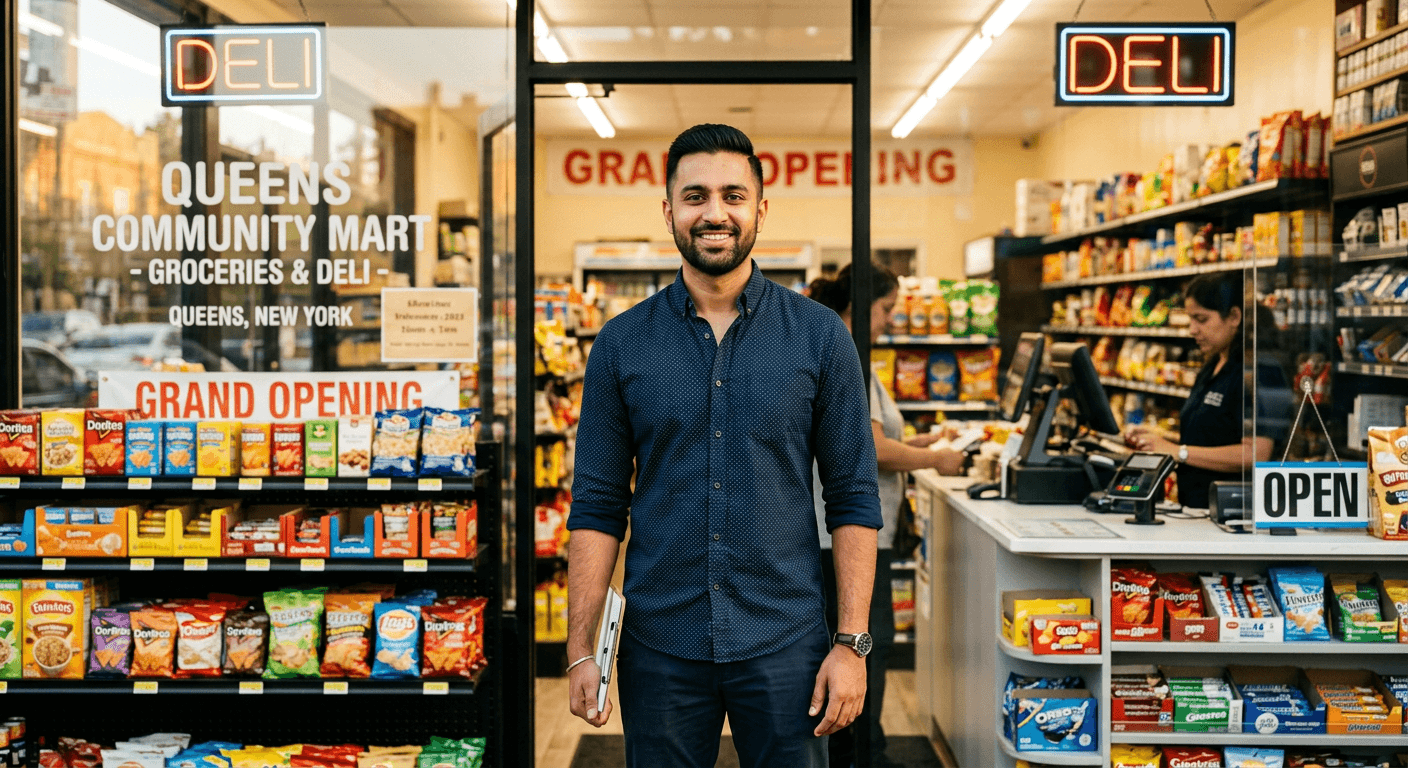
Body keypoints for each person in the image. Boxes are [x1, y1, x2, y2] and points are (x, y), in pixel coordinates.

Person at [564, 123, 884, 768]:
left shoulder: (821, 338)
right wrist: (580, 648)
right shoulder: (621, 344)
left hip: (786, 639)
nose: (715, 213)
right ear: (669, 211)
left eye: (733, 195)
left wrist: (851, 644)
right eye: (695, 196)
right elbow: (598, 505)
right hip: (660, 644)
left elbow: (853, 495)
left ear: (760, 209)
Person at [807, 263, 963, 768]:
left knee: (860, 646)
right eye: (886, 309)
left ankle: (857, 752)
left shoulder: (847, 349)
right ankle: (860, 756)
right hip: (843, 538)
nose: (891, 320)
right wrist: (936, 459)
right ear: (857, 306)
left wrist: (916, 443)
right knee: (862, 646)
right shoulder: (848, 350)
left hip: (840, 533)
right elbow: (869, 448)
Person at [1123, 272, 1275, 509]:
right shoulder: (1212, 366)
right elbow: (1209, 436)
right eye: (1190, 319)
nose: (1192, 329)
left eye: (1201, 319)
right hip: (1199, 511)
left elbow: (1256, 453)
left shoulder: (1258, 372)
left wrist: (1178, 452)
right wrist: (1158, 441)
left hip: (1236, 517)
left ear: (1234, 316)